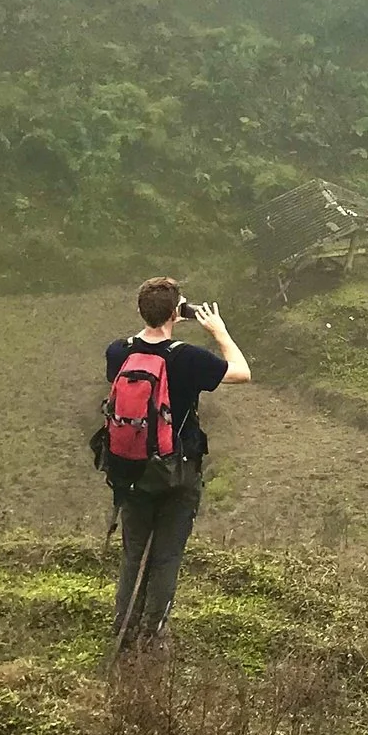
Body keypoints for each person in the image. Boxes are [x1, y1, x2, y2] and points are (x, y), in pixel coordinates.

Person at [103, 275, 251, 650]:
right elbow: (241, 371)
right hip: (176, 473)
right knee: (166, 556)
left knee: (133, 554)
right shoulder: (186, 357)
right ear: (175, 312)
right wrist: (219, 331)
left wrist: (165, 317)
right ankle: (152, 639)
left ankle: (123, 630)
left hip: (130, 472)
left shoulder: (118, 352)